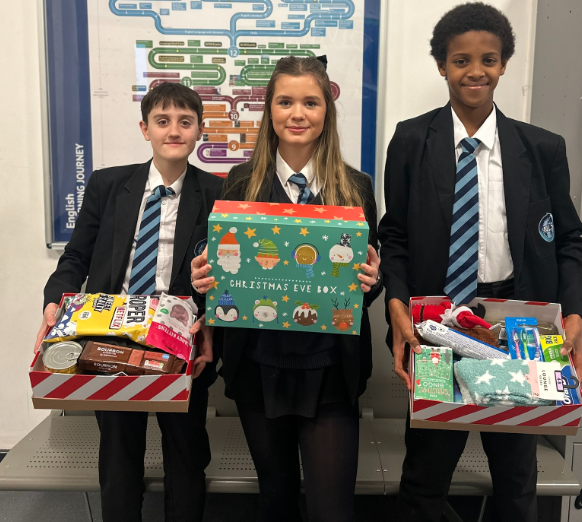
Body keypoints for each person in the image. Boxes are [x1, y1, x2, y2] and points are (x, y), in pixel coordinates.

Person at [378, 2, 582, 522]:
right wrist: (396, 307)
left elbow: (570, 242)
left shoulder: (542, 148)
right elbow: (395, 237)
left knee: (517, 480)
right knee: (425, 479)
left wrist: (576, 315)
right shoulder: (411, 140)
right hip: (434, 328)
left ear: (504, 64)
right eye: (461, 60)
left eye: (489, 59)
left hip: (517, 332)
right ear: (442, 66)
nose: (476, 71)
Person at [191, 55, 383, 522]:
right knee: (274, 501)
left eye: (311, 102)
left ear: (327, 112)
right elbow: (218, 269)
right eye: (285, 102)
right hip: (259, 364)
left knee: (331, 510)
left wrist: (373, 282)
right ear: (269, 111)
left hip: (330, 367)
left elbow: (364, 284)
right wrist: (204, 280)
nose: (298, 114)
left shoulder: (355, 188)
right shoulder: (237, 184)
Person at [35, 82, 224, 522]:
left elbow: (225, 277)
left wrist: (211, 329)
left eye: (185, 122)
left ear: (199, 131)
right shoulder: (108, 184)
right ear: (145, 129)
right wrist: (54, 300)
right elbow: (77, 255)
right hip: (111, 334)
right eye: (162, 121)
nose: (173, 130)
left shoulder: (218, 191)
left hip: (181, 339)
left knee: (186, 450)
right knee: (119, 453)